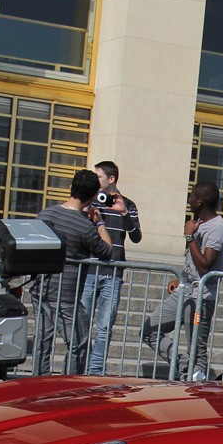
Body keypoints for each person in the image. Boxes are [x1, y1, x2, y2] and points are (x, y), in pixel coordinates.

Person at [142, 180, 223, 380]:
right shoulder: (199, 224)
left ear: (199, 201)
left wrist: (190, 237)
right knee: (149, 330)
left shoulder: (217, 228)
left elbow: (206, 264)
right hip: (184, 290)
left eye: (191, 196)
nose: (188, 200)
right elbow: (193, 262)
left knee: (196, 349)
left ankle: (197, 382)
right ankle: (186, 368)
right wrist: (179, 278)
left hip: (201, 297)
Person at [32, 169, 112, 375]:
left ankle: (38, 384)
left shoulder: (45, 215)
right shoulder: (85, 226)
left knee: (43, 341)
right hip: (67, 294)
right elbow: (106, 251)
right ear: (94, 196)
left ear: (71, 188)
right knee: (78, 342)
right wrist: (100, 222)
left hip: (41, 289)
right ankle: (69, 386)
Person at [82, 160, 141, 375]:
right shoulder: (91, 202)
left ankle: (96, 370)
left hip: (113, 273)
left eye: (98, 177)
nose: (95, 181)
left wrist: (124, 213)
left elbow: (136, 237)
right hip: (89, 269)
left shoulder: (129, 204)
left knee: (105, 326)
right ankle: (82, 366)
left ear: (111, 179)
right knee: (83, 323)